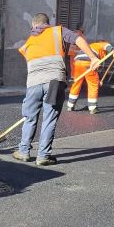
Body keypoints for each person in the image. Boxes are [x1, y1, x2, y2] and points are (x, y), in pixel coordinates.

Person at [14, 13, 99, 166]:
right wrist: (93, 57)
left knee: (29, 117)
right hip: (54, 81)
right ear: (47, 23)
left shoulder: (29, 41)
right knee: (49, 117)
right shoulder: (58, 31)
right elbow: (78, 39)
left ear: (34, 25)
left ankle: (23, 151)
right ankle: (43, 156)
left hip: (33, 83)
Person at [67, 39, 114, 113]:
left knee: (76, 84)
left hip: (78, 62)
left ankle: (70, 105)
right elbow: (108, 46)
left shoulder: (91, 46)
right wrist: (113, 51)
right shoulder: (101, 44)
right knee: (93, 85)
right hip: (89, 62)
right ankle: (92, 108)